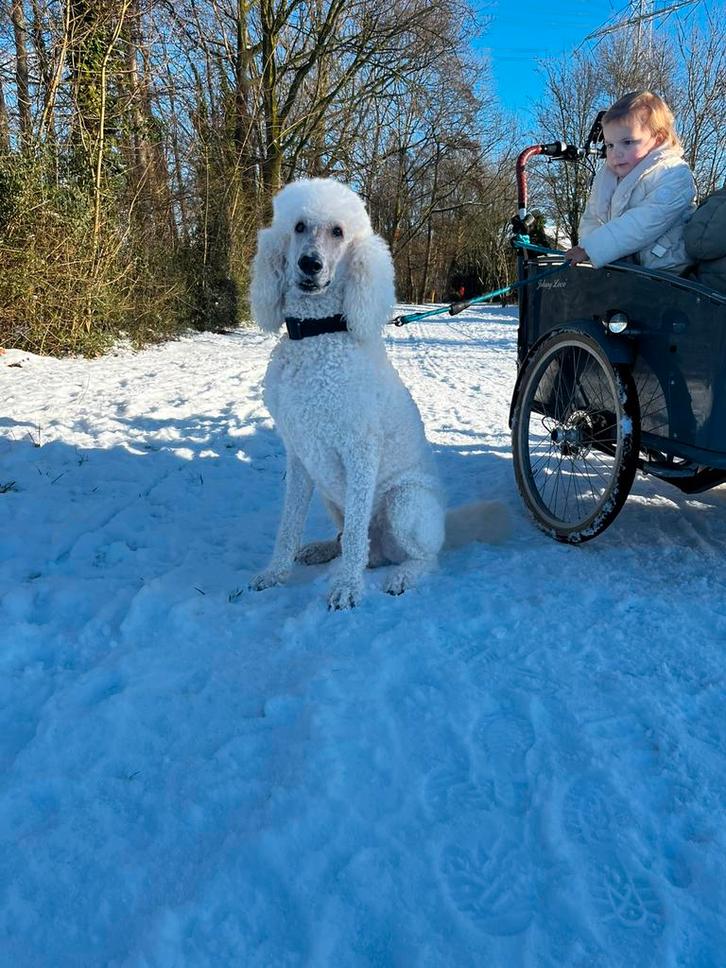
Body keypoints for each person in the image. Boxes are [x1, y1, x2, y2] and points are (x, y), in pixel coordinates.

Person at [564, 91, 696, 272]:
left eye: (627, 142)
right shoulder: (608, 178)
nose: (615, 153)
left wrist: (592, 248)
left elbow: (643, 222)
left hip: (667, 271)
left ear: (657, 140)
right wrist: (586, 249)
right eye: (610, 145)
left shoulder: (674, 174)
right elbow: (592, 217)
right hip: (623, 271)